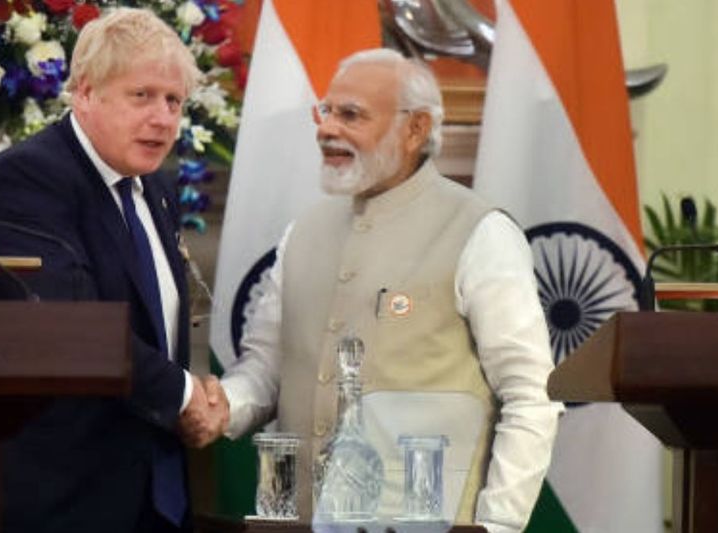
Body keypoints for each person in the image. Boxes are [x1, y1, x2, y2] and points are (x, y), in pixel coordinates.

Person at [181, 48, 562, 533]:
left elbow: (532, 396)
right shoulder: (305, 232)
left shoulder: (479, 231)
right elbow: (266, 370)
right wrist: (222, 408)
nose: (327, 129)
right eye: (327, 111)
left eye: (351, 115)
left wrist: (499, 525)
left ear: (415, 129)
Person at [0, 8, 213, 533]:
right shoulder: (27, 180)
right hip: (59, 500)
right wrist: (184, 395)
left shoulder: (154, 188)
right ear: (85, 93)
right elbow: (68, 326)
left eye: (174, 101)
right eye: (142, 96)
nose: (163, 118)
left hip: (153, 496)